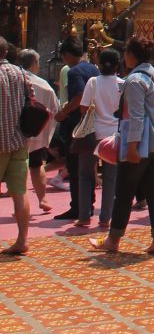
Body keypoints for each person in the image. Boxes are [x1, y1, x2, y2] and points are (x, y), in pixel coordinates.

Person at [94, 38, 154, 256]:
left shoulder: (135, 80)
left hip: (142, 143)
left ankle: (113, 239)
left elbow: (136, 116)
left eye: (126, 52)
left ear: (132, 55)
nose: (123, 57)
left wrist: (131, 147)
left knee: (124, 192)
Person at [77, 46, 123, 230]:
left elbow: (83, 107)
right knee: (111, 178)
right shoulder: (122, 84)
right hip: (113, 135)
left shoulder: (93, 82)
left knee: (85, 174)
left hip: (93, 134)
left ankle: (84, 215)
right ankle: (105, 218)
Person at [52, 38, 97, 222]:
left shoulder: (74, 72)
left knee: (75, 166)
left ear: (67, 55)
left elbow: (78, 96)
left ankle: (78, 206)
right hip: (94, 123)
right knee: (89, 166)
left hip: (77, 125)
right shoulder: (93, 68)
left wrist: (63, 112)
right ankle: (88, 204)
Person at [0, 39, 32, 254]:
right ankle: (22, 240)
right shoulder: (21, 74)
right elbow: (32, 100)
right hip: (19, 141)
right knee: (19, 193)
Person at [19, 49, 58, 214]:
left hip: (15, 133)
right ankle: (43, 198)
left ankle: (20, 204)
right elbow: (55, 110)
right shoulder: (44, 85)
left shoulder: (13, 80)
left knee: (17, 168)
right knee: (36, 165)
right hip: (37, 133)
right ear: (34, 64)